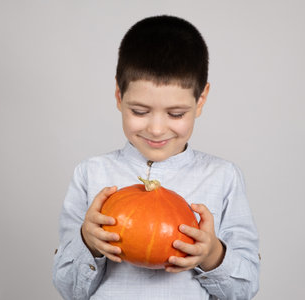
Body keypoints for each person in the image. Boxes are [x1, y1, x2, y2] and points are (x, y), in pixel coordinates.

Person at [53, 15, 260, 300]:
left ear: (200, 100)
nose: (156, 128)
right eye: (139, 111)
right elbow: (68, 289)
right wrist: (88, 244)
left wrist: (212, 254)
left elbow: (245, 288)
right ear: (118, 95)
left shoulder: (223, 177)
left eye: (176, 114)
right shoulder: (90, 174)